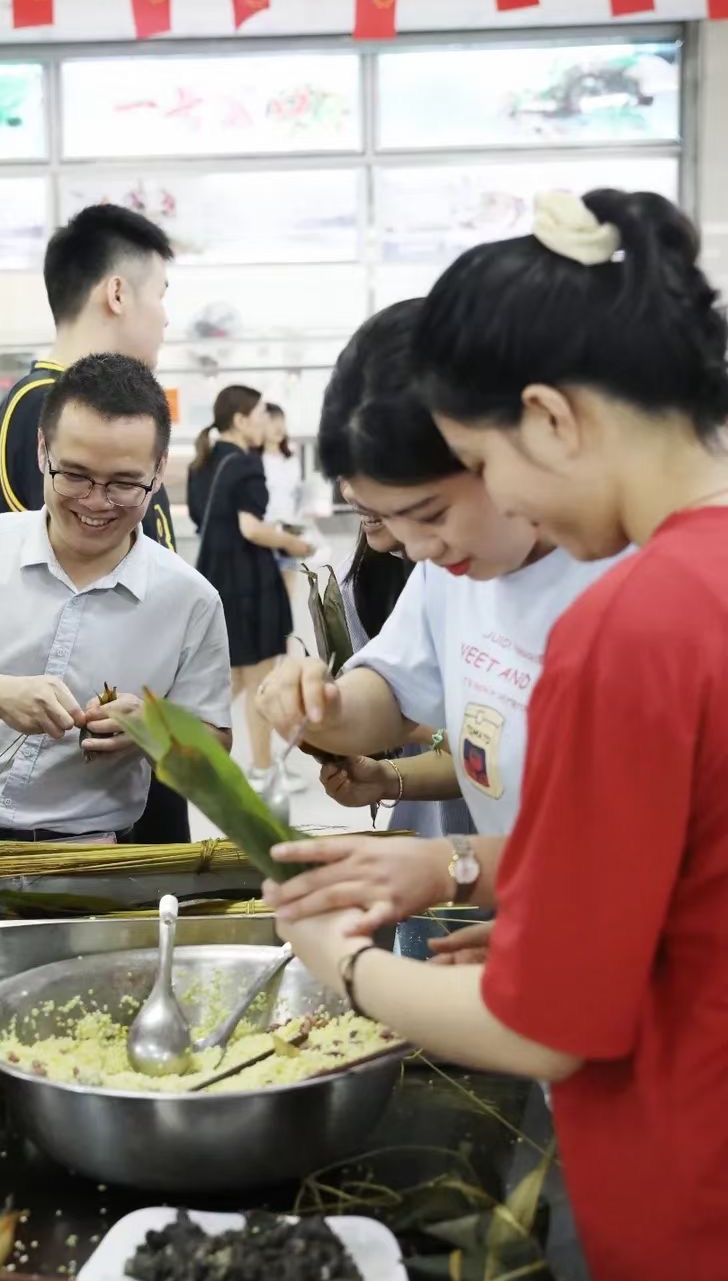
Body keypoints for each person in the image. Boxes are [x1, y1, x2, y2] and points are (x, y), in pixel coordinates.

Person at [266, 189, 728, 1281]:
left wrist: (341, 964)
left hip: (693, 1207)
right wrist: (517, 898)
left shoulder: (629, 624)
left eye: (479, 464)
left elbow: (546, 1031)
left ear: (551, 418)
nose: (498, 498)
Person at [256, 299, 623, 941]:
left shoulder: (629, 580)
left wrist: (448, 877)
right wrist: (325, 706)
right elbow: (395, 690)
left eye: (430, 513)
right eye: (384, 518)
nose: (416, 546)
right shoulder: (452, 564)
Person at [0, 354, 232, 847]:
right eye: (75, 475)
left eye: (124, 484)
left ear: (158, 471)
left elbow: (214, 747)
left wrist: (156, 731)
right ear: (42, 448)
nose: (96, 502)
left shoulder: (190, 600)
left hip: (94, 860)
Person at [0, 203, 187, 842]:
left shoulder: (111, 415)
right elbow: (42, 610)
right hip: (89, 760)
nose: (166, 317)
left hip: (138, 734)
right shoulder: (42, 408)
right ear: (118, 293)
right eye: (161, 294)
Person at [329, 485, 473, 846]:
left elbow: (501, 758)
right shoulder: (368, 583)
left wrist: (412, 726)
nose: (350, 492)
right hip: (441, 839)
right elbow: (378, 690)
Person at [188, 385, 312, 791]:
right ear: (240, 421)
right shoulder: (246, 463)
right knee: (259, 678)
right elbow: (251, 528)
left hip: (216, 579)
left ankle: (190, 748)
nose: (265, 422)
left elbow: (204, 520)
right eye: (260, 414)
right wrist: (295, 544)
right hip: (251, 582)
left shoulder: (202, 463)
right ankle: (261, 769)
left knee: (236, 676)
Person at [262, 402, 304, 604]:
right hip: (264, 536)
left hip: (288, 534)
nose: (279, 427)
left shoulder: (291, 460)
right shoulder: (253, 460)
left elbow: (297, 501)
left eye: (282, 421)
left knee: (286, 602)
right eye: (273, 421)